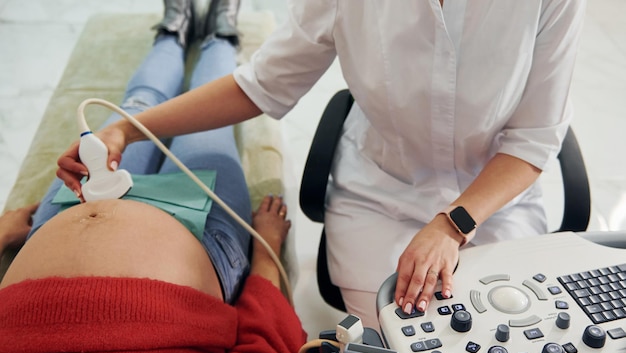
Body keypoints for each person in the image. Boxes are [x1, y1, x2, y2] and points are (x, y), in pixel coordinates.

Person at [57, 0, 587, 329]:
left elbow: (535, 138)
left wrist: (453, 223)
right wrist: (129, 126)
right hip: (381, 192)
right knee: (401, 340)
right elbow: (260, 86)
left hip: (489, 203)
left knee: (508, 334)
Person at [0, 1, 315, 353]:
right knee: (206, 124)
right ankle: (221, 34)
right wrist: (267, 259)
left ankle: (173, 32)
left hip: (71, 208)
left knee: (138, 107)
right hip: (200, 233)